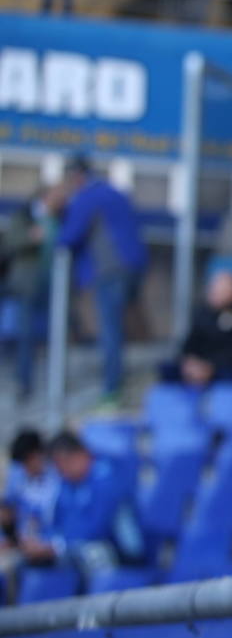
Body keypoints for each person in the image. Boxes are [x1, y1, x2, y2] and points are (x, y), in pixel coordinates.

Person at [57, 159, 148, 402]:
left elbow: (68, 236)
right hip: (132, 267)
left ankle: (112, 388)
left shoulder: (88, 197)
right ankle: (116, 381)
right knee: (117, 327)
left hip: (111, 271)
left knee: (110, 330)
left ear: (77, 176)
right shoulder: (115, 193)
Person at [19, 433, 143, 585]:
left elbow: (97, 529)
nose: (61, 473)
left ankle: (102, 601)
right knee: (27, 562)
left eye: (62, 465)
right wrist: (42, 542)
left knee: (93, 552)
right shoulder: (68, 485)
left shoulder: (107, 477)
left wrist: (56, 546)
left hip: (122, 555)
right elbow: (59, 523)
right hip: (79, 550)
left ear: (79, 456)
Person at [3, 188, 60, 401]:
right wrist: (31, 238)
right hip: (27, 285)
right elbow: (11, 243)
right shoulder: (24, 216)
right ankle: (24, 381)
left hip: (53, 285)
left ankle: (53, 380)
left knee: (52, 333)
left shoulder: (59, 219)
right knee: (25, 333)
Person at [166, 270, 232, 386]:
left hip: (226, 371)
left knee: (230, 374)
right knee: (168, 368)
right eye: (214, 286)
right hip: (199, 367)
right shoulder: (202, 315)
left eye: (221, 288)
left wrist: (211, 366)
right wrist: (190, 363)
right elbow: (189, 345)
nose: (214, 291)